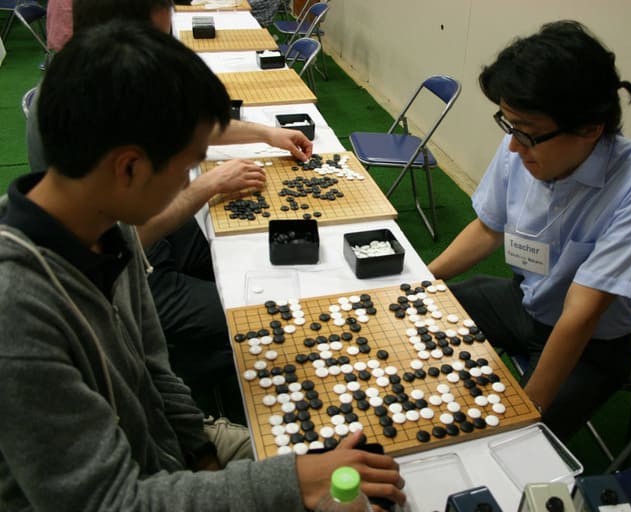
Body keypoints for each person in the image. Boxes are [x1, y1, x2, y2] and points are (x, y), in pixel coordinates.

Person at [0, 20, 405, 511]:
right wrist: (292, 481)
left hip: (165, 454)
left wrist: (202, 454)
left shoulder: (106, 227)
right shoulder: (16, 312)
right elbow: (107, 502)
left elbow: (154, 369)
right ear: (128, 167)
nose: (190, 183)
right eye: (185, 166)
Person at [25, 0, 315, 393]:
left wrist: (266, 134)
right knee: (261, 318)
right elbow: (126, 241)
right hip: (134, 270)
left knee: (251, 260)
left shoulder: (100, 80)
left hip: (144, 248)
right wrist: (206, 185)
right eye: (159, 40)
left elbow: (186, 127)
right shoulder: (93, 113)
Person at [428, 20, 631, 441]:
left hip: (591, 345)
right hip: (523, 301)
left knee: (522, 442)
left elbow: (582, 312)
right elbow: (488, 229)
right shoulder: (522, 141)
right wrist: (417, 283)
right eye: (509, 125)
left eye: (527, 133)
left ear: (589, 128)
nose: (514, 146)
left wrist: (527, 415)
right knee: (419, 313)